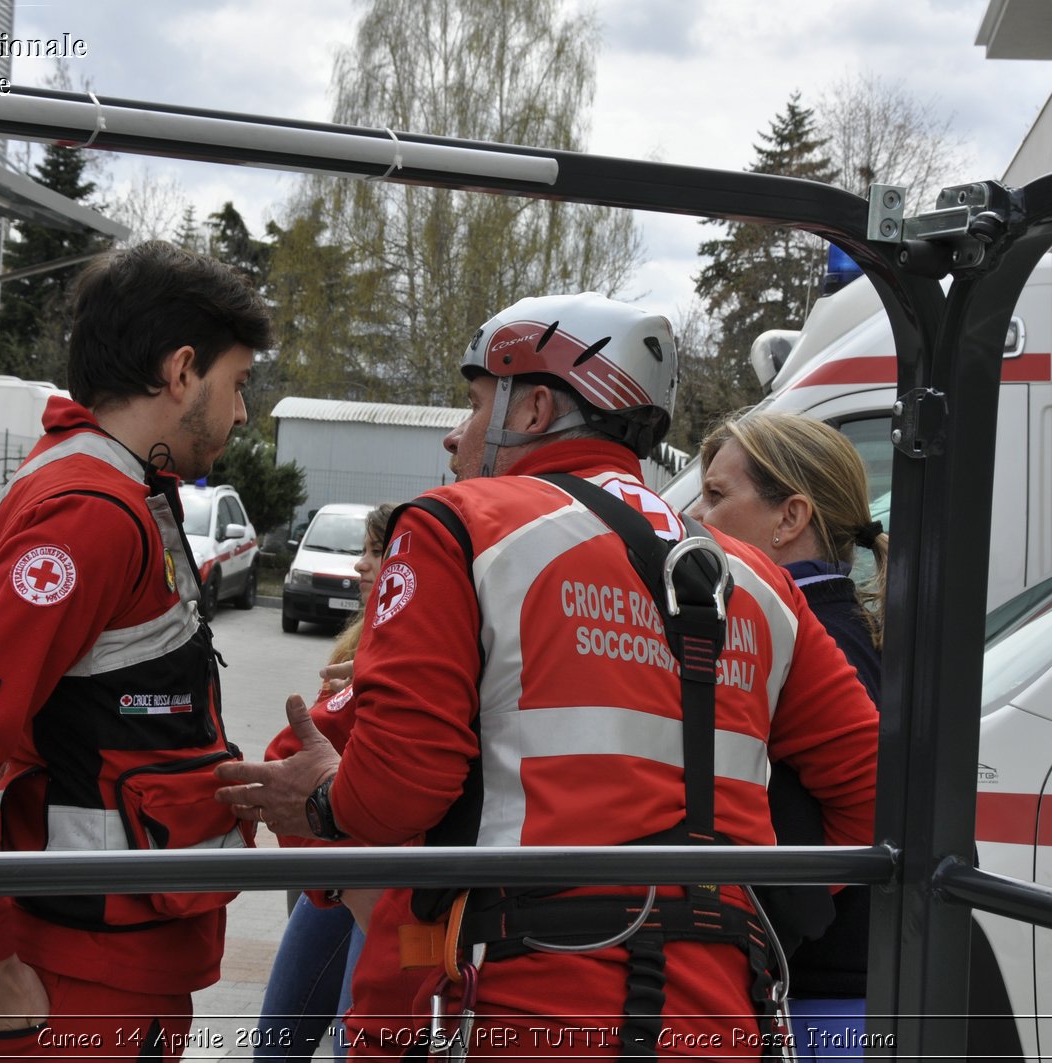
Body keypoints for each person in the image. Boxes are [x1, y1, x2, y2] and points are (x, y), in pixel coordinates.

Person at [216, 292, 880, 1059]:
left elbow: (404, 783)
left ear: (534, 408)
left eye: (473, 402)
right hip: (720, 1014)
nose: (453, 435)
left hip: (518, 1008)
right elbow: (870, 797)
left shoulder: (458, 527)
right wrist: (739, 901)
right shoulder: (761, 581)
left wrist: (326, 801)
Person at [0, 240, 273, 1061]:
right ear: (181, 371)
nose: (242, 413)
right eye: (239, 384)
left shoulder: (110, 485)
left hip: (122, 958)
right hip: (75, 983)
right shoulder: (92, 510)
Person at [687, 410, 887, 1061]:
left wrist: (770, 914)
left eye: (717, 495)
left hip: (817, 997)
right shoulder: (832, 623)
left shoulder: (810, 638)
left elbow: (859, 799)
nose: (694, 514)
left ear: (789, 517)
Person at [256, 503, 394, 1063]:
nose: (360, 566)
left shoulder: (417, 652)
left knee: (350, 1044)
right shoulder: (364, 641)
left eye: (377, 551)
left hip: (376, 880)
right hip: (332, 873)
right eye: (362, 549)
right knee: (275, 1041)